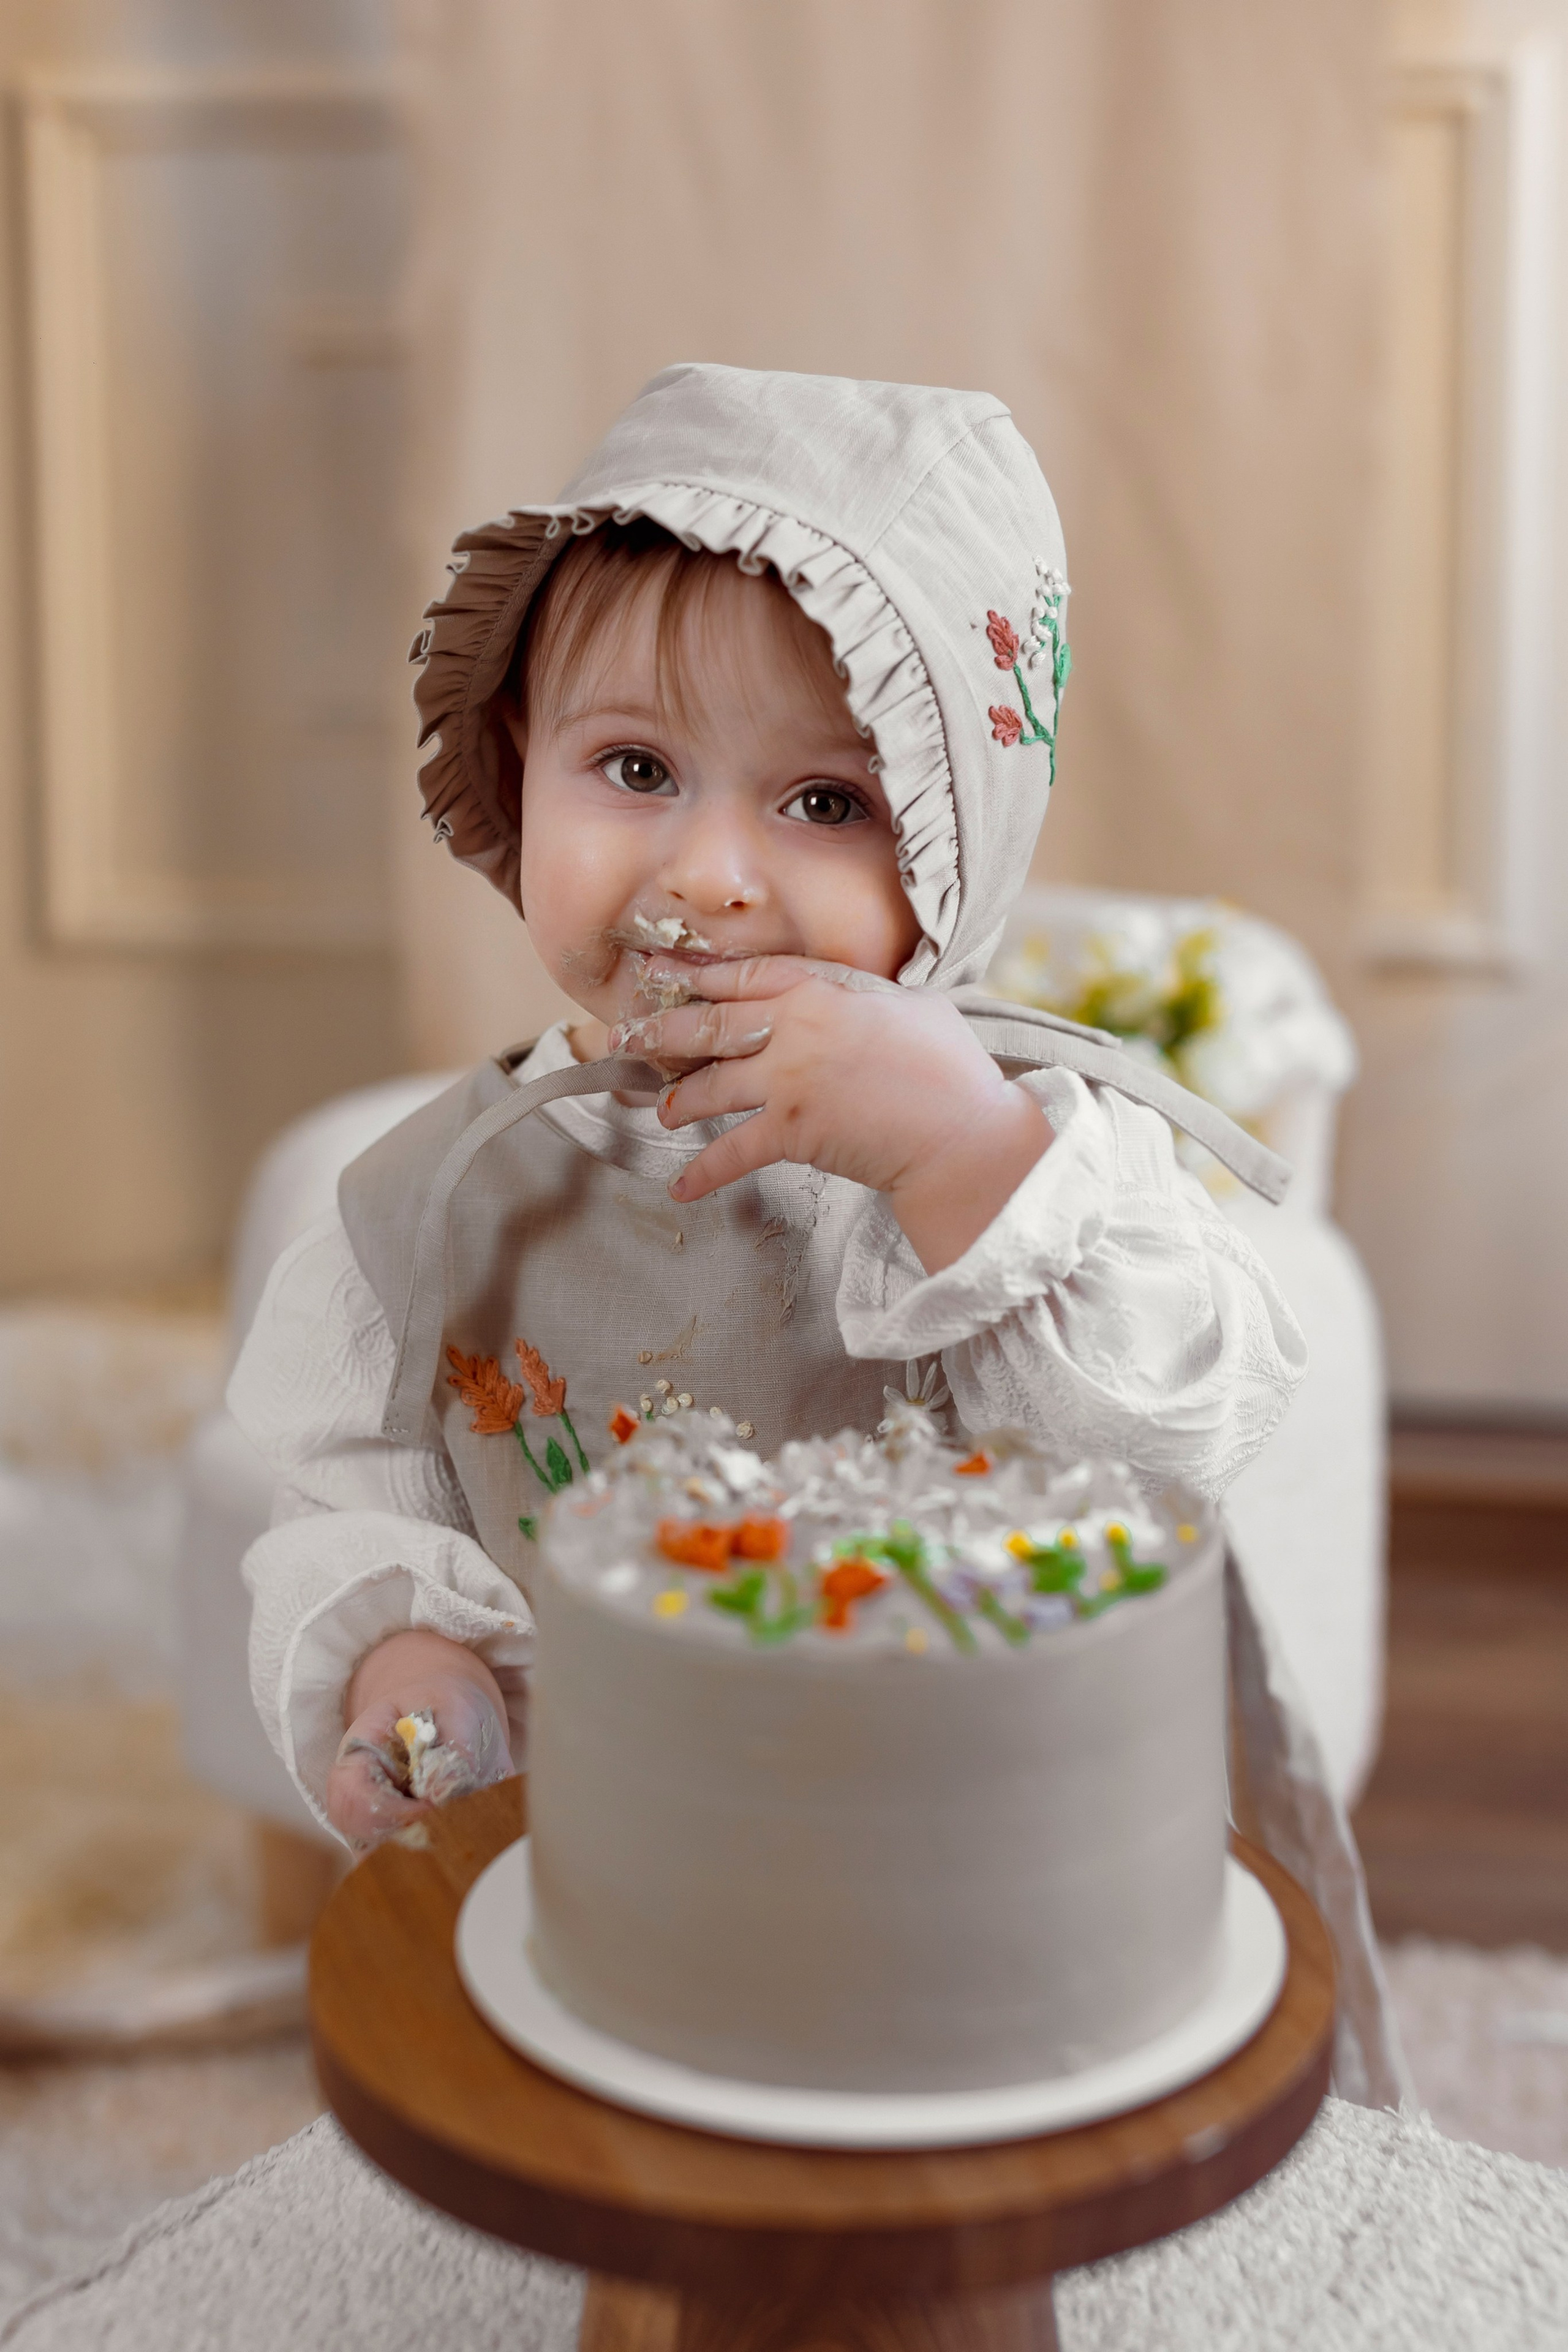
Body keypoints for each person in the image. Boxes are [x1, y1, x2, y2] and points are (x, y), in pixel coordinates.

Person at [229, 364, 1306, 1851]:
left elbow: (1170, 1444)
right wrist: (420, 1671)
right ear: (513, 769)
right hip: (608, 1880)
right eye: (633, 768)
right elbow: (351, 1506)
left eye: (822, 804)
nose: (707, 873)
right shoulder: (434, 1207)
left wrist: (954, 1154)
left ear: (950, 856)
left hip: (971, 1868)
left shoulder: (1028, 1159)